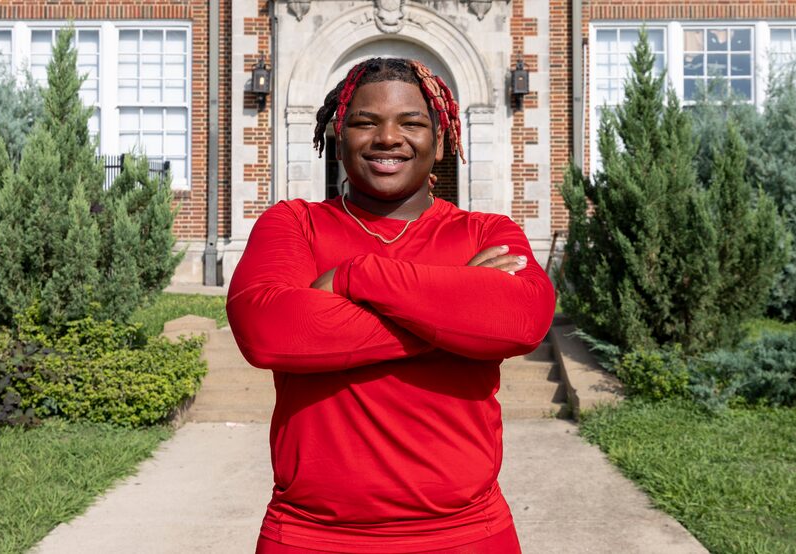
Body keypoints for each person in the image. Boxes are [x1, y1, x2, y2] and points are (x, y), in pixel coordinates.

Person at [226, 57, 555, 554]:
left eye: (412, 123)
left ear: (441, 141)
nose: (387, 138)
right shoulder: (293, 224)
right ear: (339, 136)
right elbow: (270, 331)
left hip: (465, 535)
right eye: (365, 122)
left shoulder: (486, 232)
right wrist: (458, 300)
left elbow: (521, 320)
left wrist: (360, 274)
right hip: (312, 537)